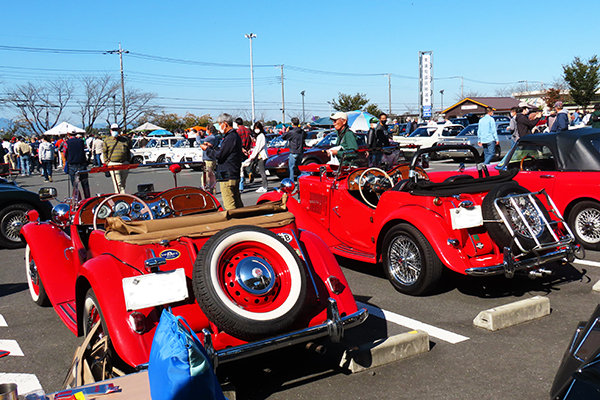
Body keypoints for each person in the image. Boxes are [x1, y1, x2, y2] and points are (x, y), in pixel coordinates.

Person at [199, 113, 244, 210]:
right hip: (234, 172)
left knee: (229, 204)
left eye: (220, 125)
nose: (220, 127)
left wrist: (207, 149)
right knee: (237, 202)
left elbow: (219, 155)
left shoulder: (230, 137)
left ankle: (235, 223)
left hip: (227, 174)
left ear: (225, 124)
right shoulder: (234, 136)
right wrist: (212, 147)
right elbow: (224, 151)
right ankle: (243, 221)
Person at [102, 123, 132, 194]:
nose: (114, 131)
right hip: (113, 163)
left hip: (124, 163)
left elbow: (128, 151)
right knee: (118, 182)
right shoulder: (107, 140)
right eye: (113, 130)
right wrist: (107, 162)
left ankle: (121, 193)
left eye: (116, 130)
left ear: (119, 130)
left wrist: (128, 161)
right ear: (110, 131)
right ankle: (120, 195)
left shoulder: (124, 140)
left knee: (123, 182)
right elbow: (104, 152)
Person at [244, 121, 269, 193]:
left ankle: (265, 186)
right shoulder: (260, 136)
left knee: (262, 171)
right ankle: (264, 185)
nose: (256, 129)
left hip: (262, 156)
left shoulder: (261, 136)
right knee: (261, 171)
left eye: (257, 128)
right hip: (261, 156)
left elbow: (258, 147)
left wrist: (252, 156)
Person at [65, 131, 91, 198]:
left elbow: (64, 152)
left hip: (72, 164)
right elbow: (86, 149)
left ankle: (78, 200)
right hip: (82, 163)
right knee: (85, 184)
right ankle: (88, 199)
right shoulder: (81, 141)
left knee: (75, 185)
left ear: (68, 134)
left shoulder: (67, 142)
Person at [199, 124, 219, 194]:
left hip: (209, 158)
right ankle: (212, 189)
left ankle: (206, 189)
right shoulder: (214, 137)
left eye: (206, 129)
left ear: (209, 130)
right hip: (212, 158)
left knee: (207, 175)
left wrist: (197, 136)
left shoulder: (211, 137)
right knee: (211, 175)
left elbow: (199, 141)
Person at [235, 117, 252, 192]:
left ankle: (241, 185)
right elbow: (251, 139)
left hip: (240, 150)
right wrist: (248, 149)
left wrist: (242, 149)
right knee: (246, 164)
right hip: (247, 149)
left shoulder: (238, 131)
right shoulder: (248, 130)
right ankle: (249, 172)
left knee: (240, 167)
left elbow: (237, 142)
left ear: (237, 124)